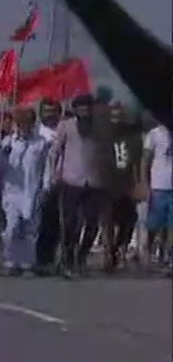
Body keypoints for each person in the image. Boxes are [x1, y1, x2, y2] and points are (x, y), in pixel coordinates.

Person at [49, 94, 113, 278]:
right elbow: (55, 152)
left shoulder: (101, 128)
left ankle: (82, 256)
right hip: (71, 181)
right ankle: (68, 259)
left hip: (95, 182)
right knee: (70, 223)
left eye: (88, 107)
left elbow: (106, 152)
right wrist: (55, 173)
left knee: (92, 223)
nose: (85, 111)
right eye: (81, 108)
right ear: (75, 110)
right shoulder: (66, 126)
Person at [0, 107, 50, 276]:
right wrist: (3, 155)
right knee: (11, 227)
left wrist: (45, 189)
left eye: (27, 123)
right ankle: (10, 260)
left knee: (30, 229)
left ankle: (27, 263)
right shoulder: (8, 142)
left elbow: (46, 168)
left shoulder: (41, 143)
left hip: (32, 190)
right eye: (20, 123)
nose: (23, 127)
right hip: (12, 192)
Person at [104, 102, 144, 271]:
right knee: (107, 221)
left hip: (126, 183)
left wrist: (138, 184)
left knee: (128, 221)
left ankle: (119, 248)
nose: (117, 119)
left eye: (120, 116)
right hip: (108, 183)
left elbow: (136, 162)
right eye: (114, 116)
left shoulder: (133, 136)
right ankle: (108, 254)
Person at [141, 118, 172, 274]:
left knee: (171, 226)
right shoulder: (154, 134)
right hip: (158, 186)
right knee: (154, 225)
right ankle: (148, 250)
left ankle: (167, 259)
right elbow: (145, 161)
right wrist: (145, 185)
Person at [35, 98, 63, 272]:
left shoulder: (64, 131)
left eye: (53, 110)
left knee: (55, 225)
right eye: (46, 111)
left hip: (61, 184)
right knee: (39, 225)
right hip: (39, 184)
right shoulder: (36, 133)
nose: (50, 114)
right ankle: (38, 259)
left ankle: (49, 260)